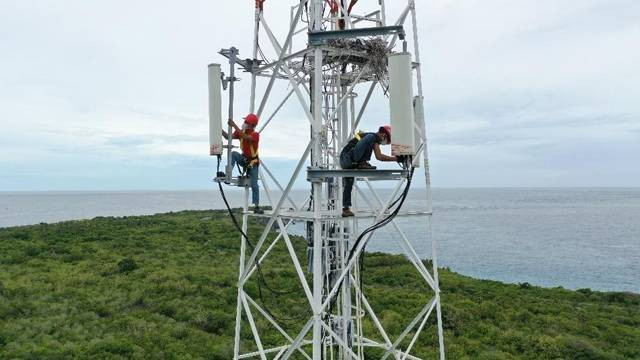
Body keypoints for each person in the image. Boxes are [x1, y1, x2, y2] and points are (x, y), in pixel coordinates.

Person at [340, 125, 396, 217]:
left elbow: (379, 157)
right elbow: (379, 157)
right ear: (384, 135)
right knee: (371, 137)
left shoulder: (371, 139)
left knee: (349, 183)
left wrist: (395, 159)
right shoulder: (371, 137)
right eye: (386, 142)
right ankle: (363, 162)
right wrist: (396, 159)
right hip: (347, 157)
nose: (383, 143)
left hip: (348, 162)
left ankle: (346, 209)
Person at [221, 113, 263, 214]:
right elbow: (228, 137)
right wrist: (219, 129)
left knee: (254, 185)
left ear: (252, 125)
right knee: (234, 154)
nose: (244, 123)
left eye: (246, 122)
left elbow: (246, 137)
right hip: (244, 160)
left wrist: (234, 125)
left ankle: (256, 206)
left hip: (253, 163)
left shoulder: (255, 135)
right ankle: (228, 173)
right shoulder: (241, 132)